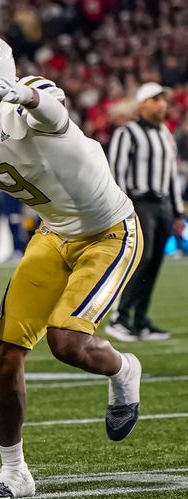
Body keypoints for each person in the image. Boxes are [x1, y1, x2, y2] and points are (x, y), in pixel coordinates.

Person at [0, 32, 143, 499]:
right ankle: (14, 473)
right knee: (4, 354)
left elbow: (51, 108)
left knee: (67, 342)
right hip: (52, 234)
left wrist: (21, 93)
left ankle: (123, 369)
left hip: (108, 231)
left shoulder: (27, 102)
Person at [105, 83, 185, 342]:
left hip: (162, 204)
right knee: (141, 258)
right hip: (138, 202)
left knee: (154, 262)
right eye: (156, 99)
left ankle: (140, 320)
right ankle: (119, 318)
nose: (162, 104)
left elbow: (171, 176)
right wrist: (122, 208)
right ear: (141, 104)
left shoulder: (165, 133)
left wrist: (177, 212)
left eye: (164, 99)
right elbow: (117, 173)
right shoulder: (126, 132)